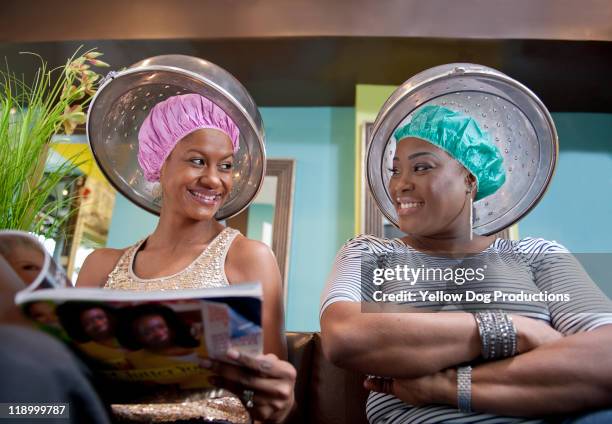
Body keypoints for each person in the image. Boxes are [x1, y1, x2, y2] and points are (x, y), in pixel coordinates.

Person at [320, 105, 612, 423]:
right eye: (395, 170)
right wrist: (515, 329)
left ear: (469, 179)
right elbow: (345, 335)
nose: (400, 184)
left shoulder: (537, 254)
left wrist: (442, 386)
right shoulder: (369, 252)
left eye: (421, 168)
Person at [77, 93, 296, 423]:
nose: (214, 179)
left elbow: (271, 398)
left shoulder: (249, 258)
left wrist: (276, 402)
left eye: (225, 166)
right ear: (159, 163)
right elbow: (73, 379)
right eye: (197, 161)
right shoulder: (100, 265)